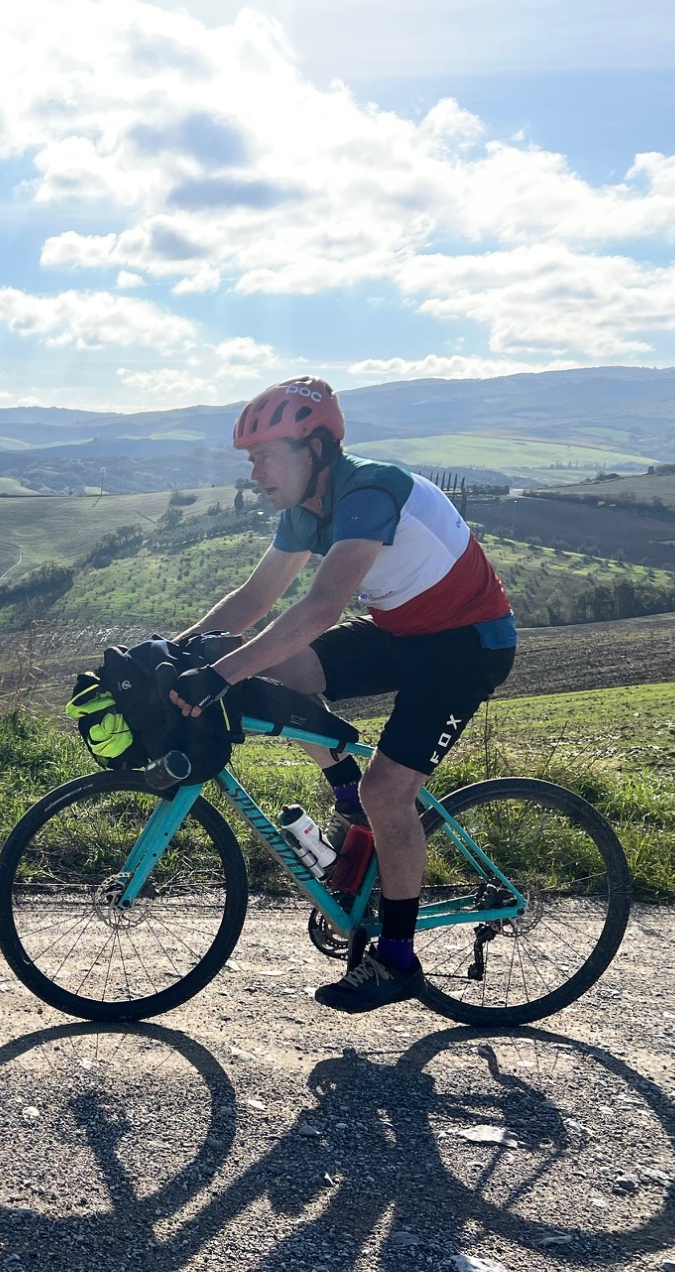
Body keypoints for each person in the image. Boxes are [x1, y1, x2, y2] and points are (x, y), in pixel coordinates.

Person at [164, 377, 516, 1011]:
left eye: (265, 455)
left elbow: (321, 608)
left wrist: (219, 675)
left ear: (315, 450)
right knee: (289, 672)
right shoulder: (306, 511)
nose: (255, 472)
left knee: (391, 792)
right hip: (402, 630)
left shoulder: (369, 493)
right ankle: (346, 790)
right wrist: (173, 655)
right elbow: (254, 600)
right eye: (250, 459)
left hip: (466, 646)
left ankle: (399, 960)